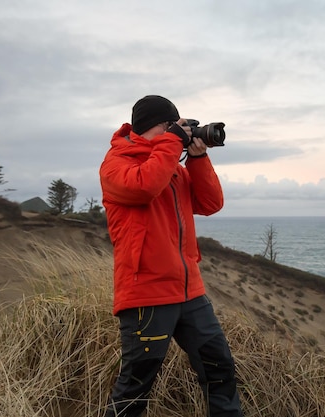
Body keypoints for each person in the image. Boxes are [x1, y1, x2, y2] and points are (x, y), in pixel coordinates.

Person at [99, 95, 243, 417]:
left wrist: (198, 159)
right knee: (135, 388)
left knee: (220, 369)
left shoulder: (171, 167)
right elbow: (144, 186)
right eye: (172, 126)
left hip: (189, 291)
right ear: (159, 126)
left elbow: (210, 204)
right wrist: (172, 143)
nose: (180, 133)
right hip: (146, 294)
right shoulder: (117, 163)